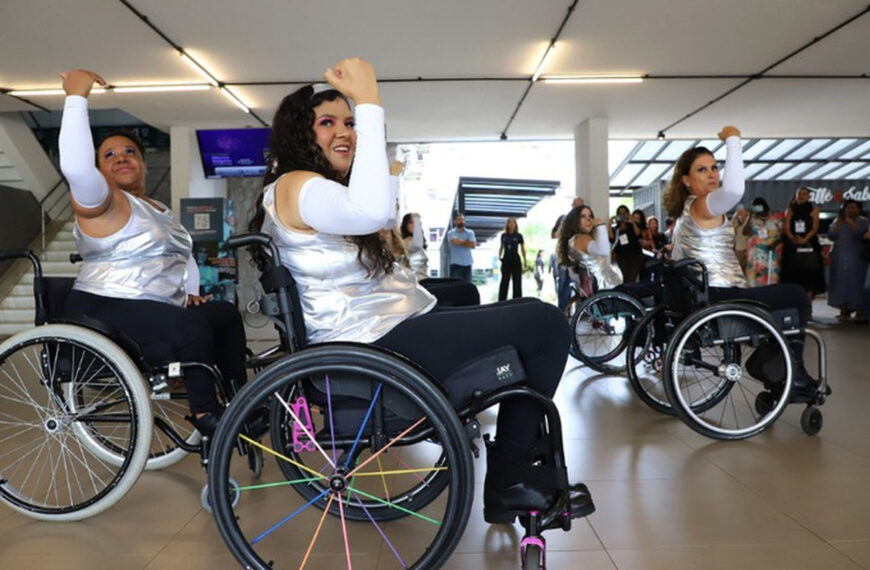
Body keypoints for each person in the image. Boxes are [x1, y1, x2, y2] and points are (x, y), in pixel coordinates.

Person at [248, 58, 590, 521]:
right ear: (298, 135)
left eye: (350, 121)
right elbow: (373, 212)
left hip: (375, 330)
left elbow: (372, 217)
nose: (344, 131)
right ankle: (508, 478)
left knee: (512, 307)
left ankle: (509, 441)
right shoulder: (298, 184)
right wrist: (369, 103)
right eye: (327, 123)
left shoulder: (305, 187)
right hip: (370, 344)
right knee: (545, 323)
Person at [58, 70, 247, 434]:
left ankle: (241, 399)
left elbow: (182, 256)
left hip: (151, 304)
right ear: (99, 169)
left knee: (223, 314)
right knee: (189, 327)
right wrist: (76, 96)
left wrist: (190, 293)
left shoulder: (158, 208)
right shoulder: (100, 202)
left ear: (143, 163)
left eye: (130, 152)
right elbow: (76, 167)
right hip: (103, 304)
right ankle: (207, 415)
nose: (121, 158)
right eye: (109, 155)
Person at [664, 125, 820, 400]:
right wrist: (733, 141)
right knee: (796, 294)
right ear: (686, 180)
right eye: (702, 170)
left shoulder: (685, 212)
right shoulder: (703, 204)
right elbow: (735, 190)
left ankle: (775, 362)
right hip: (723, 294)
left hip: (706, 294)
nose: (712, 174)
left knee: (780, 300)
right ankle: (789, 370)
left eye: (714, 167)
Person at [557, 205, 622, 293]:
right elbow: (603, 251)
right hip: (608, 287)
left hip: (602, 287)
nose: (589, 219)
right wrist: (600, 226)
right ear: (574, 220)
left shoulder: (572, 241)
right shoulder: (582, 239)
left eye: (590, 216)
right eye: (583, 216)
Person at [781, 187, 826, 309]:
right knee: (793, 277)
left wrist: (805, 239)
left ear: (809, 196)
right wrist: (793, 238)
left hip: (810, 245)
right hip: (793, 246)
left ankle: (808, 306)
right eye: (799, 194)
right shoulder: (790, 210)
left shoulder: (814, 209)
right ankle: (795, 306)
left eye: (804, 194)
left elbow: (815, 228)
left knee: (810, 278)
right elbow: (786, 227)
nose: (801, 196)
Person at [827, 199, 869, 322]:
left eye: (853, 207)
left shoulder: (863, 221)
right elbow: (831, 235)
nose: (849, 210)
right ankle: (843, 311)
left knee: (857, 284)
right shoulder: (837, 221)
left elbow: (861, 234)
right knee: (840, 284)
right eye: (847, 207)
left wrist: (849, 221)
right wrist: (840, 222)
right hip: (840, 257)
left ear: (859, 209)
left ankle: (860, 312)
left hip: (857, 258)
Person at [743, 197, 781, 287]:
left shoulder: (774, 219)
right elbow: (745, 232)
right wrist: (749, 216)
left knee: (769, 280)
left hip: (770, 254)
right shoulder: (752, 219)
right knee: (753, 281)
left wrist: (775, 243)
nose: (757, 209)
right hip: (754, 255)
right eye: (754, 207)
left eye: (758, 206)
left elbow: (781, 235)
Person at [608, 204, 643, 282]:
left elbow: (638, 234)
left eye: (624, 213)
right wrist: (609, 225)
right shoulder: (616, 229)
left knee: (632, 277)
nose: (622, 216)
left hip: (635, 256)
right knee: (624, 277)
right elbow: (611, 239)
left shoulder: (632, 225)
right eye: (620, 214)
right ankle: (625, 293)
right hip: (621, 257)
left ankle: (630, 293)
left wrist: (632, 222)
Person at [498, 217, 526, 300]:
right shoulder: (503, 235)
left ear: (515, 225)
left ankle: (517, 300)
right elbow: (501, 246)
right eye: (509, 222)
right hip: (506, 259)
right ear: (507, 224)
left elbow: (522, 248)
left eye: (513, 223)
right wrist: (499, 256)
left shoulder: (519, 236)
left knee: (517, 281)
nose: (511, 224)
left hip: (516, 259)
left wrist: (525, 260)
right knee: (504, 281)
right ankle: (501, 300)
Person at [446, 213, 476, 282]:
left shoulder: (470, 232)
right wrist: (466, 241)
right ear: (455, 221)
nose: (461, 221)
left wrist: (460, 241)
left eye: (463, 220)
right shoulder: (451, 233)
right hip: (455, 264)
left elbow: (473, 245)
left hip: (468, 264)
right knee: (455, 287)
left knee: (468, 287)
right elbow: (455, 242)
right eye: (459, 220)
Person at [400, 212, 429, 280]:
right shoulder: (406, 242)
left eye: (415, 223)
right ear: (405, 225)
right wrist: (416, 220)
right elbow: (417, 245)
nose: (414, 225)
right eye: (410, 222)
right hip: (414, 283)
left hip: (424, 280)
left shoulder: (417, 242)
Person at [731, 205, 750, 271]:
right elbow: (730, 228)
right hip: (738, 251)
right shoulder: (737, 224)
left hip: (747, 250)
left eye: (742, 213)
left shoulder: (749, 223)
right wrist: (735, 216)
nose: (740, 215)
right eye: (739, 213)